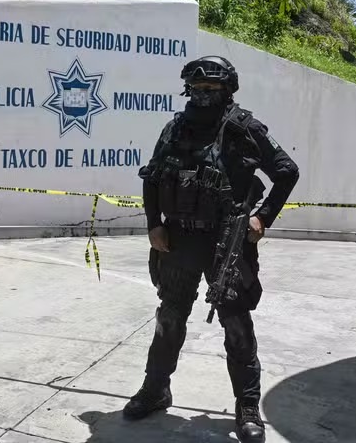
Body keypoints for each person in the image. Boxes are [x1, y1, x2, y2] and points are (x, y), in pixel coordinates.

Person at [124, 55, 300, 443]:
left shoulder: (244, 129)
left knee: (236, 326)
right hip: (178, 241)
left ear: (227, 89)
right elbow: (152, 178)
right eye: (197, 89)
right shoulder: (175, 128)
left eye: (212, 89)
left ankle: (248, 407)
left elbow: (287, 171)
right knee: (169, 319)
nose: (203, 96)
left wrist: (262, 218)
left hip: (227, 243)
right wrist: (153, 224)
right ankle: (155, 390)